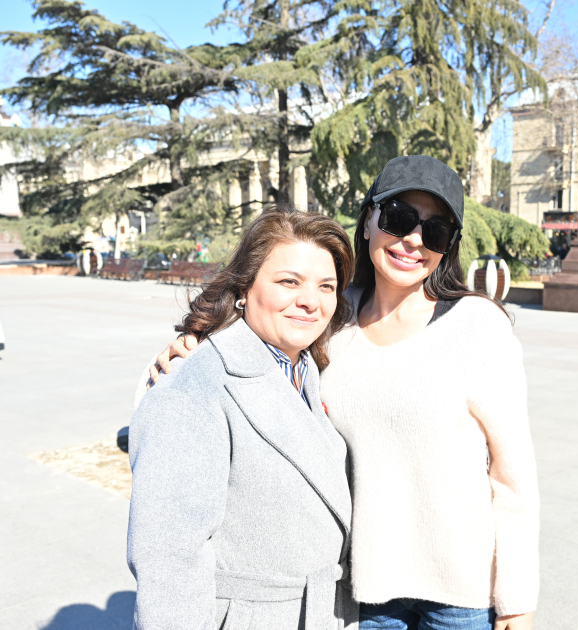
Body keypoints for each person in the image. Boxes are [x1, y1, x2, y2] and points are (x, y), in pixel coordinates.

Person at [152, 156, 540, 630]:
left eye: (436, 232)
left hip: (462, 595)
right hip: (364, 592)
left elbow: (513, 477)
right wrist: (194, 343)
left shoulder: (479, 327)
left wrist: (516, 600)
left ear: (448, 248)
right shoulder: (332, 318)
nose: (414, 240)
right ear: (369, 220)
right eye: (399, 218)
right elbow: (263, 325)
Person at [129, 207, 357, 630]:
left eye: (327, 286)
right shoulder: (193, 389)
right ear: (244, 288)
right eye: (289, 281)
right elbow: (169, 562)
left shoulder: (307, 369)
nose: (311, 301)